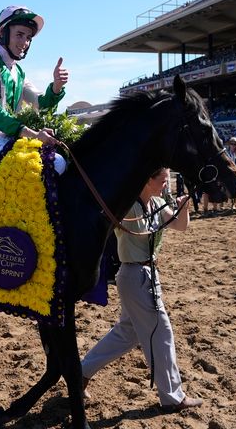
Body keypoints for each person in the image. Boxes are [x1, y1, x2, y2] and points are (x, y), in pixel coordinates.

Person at [80, 168, 203, 413]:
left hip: (147, 275)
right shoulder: (127, 205)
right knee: (162, 331)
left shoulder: (156, 202)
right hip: (134, 274)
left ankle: (80, 373)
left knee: (127, 333)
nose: (165, 184)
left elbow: (180, 226)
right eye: (162, 180)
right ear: (146, 180)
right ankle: (172, 397)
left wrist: (184, 207)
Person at [0, 5, 68, 174]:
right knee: (54, 163)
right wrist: (32, 134)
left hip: (5, 138)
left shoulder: (17, 72)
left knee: (58, 158)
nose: (25, 42)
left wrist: (56, 87)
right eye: (19, 35)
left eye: (28, 37)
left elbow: (41, 104)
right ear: (3, 33)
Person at [224, 137, 236, 211]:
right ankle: (223, 204)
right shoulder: (226, 153)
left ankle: (233, 204)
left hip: (235, 173)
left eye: (234, 144)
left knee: (235, 188)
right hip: (227, 172)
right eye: (232, 144)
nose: (233, 145)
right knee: (224, 188)